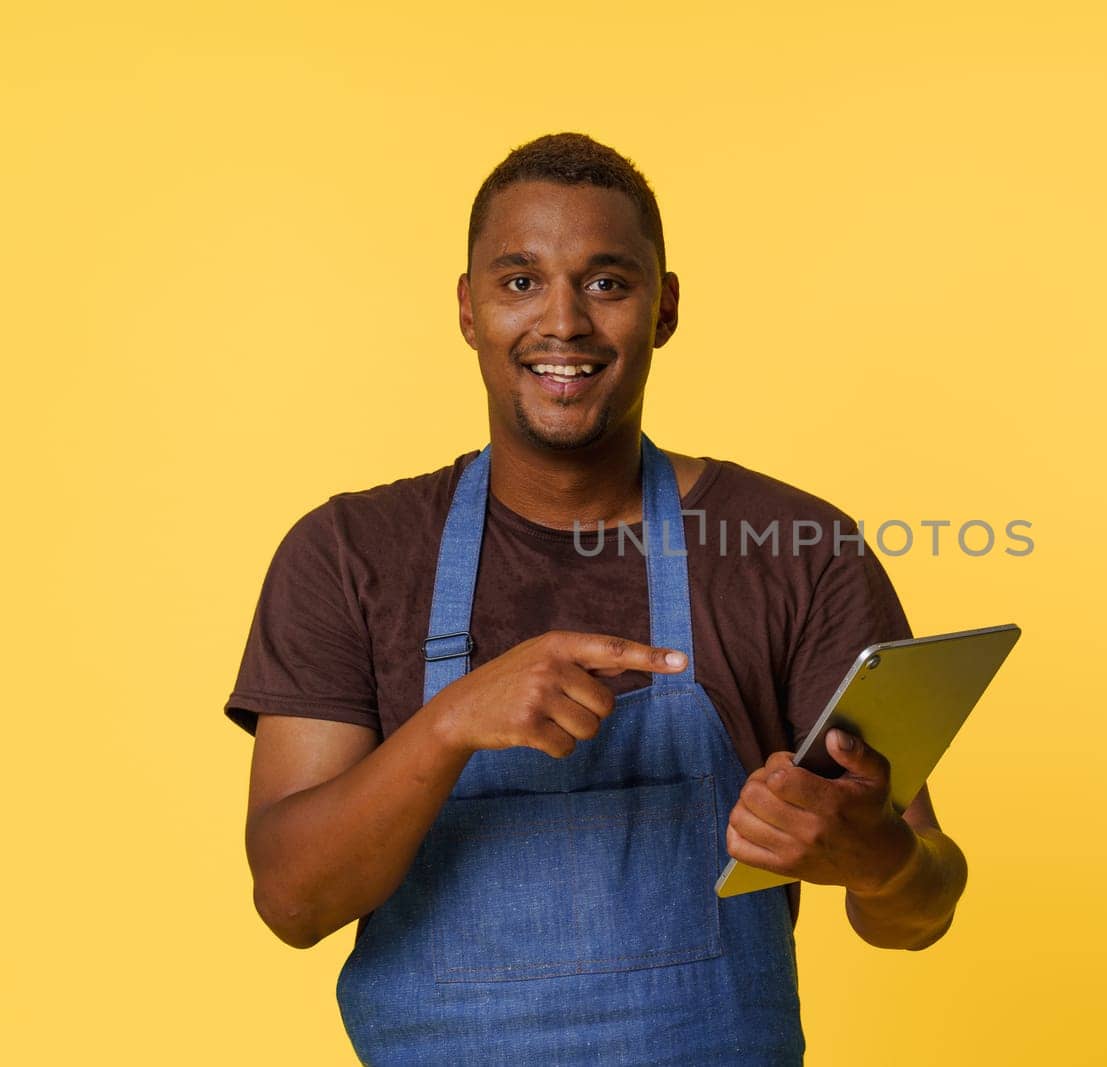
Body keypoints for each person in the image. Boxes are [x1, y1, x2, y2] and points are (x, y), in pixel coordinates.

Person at [227, 132, 969, 1064]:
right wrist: (450, 721)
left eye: (608, 283)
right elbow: (292, 902)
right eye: (520, 280)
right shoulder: (345, 554)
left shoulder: (799, 550)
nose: (565, 323)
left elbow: (923, 907)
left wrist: (883, 863)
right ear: (467, 308)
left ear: (663, 309)